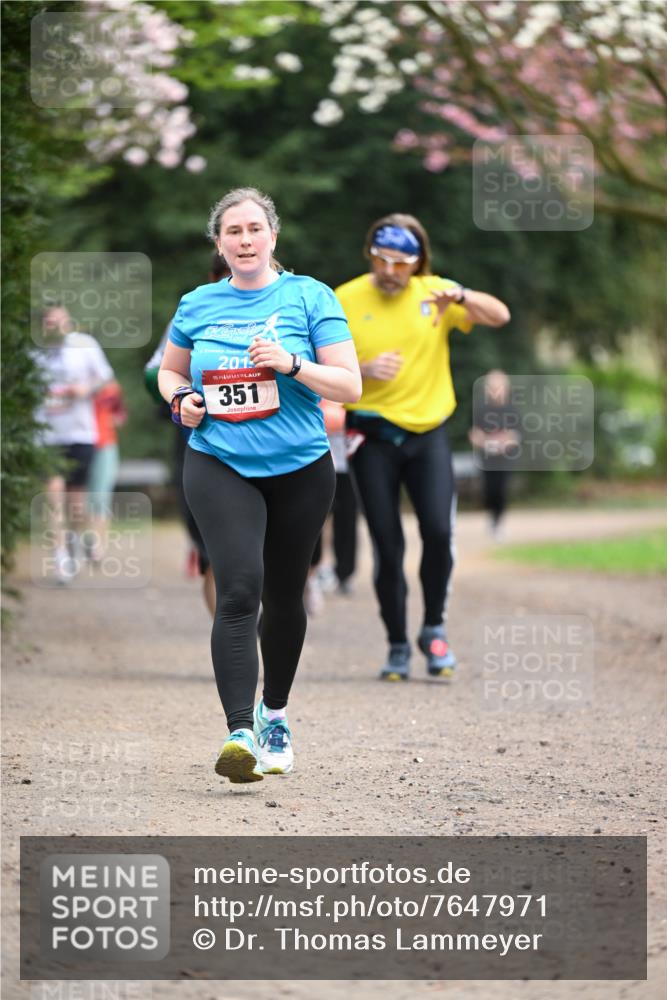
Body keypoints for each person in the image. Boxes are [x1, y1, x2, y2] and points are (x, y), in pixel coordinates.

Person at [158, 187, 361, 783]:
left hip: (300, 466)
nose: (244, 241)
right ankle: (239, 731)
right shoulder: (197, 303)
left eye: (253, 229)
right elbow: (170, 372)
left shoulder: (309, 297)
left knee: (284, 593)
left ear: (273, 236)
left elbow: (349, 387)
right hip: (219, 461)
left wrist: (291, 364)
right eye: (232, 232)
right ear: (218, 243)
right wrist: (182, 401)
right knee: (239, 588)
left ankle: (276, 714)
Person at [336, 214, 510, 681]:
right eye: (382, 260)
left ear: (417, 262)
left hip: (428, 434)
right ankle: (396, 644)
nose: (390, 271)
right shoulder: (344, 298)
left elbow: (499, 315)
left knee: (437, 531)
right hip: (371, 437)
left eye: (401, 263)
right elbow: (318, 363)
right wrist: (363, 368)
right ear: (370, 254)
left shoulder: (436, 292)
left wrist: (464, 296)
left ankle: (433, 628)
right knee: (387, 546)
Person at [144, 252, 229, 617]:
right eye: (226, 276)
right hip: (201, 437)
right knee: (212, 547)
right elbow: (155, 373)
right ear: (212, 277)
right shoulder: (193, 310)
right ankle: (231, 635)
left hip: (265, 440)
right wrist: (182, 393)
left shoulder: (285, 307)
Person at [33, 305, 114, 583]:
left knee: (75, 501)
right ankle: (60, 557)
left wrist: (85, 389)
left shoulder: (84, 345)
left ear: (67, 319)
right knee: (54, 491)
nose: (54, 324)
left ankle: (74, 541)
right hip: (46, 435)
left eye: (58, 318)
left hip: (81, 433)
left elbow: (105, 378)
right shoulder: (32, 350)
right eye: (48, 320)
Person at [469, 369, 520, 541]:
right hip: (486, 458)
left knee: (501, 490)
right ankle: (492, 517)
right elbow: (474, 434)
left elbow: (517, 435)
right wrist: (485, 441)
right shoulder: (481, 408)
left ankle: (499, 522)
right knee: (489, 490)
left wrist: (505, 442)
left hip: (505, 459)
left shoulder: (512, 409)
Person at [86, 380, 127, 561]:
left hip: (105, 445)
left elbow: (120, 415)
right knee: (82, 496)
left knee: (101, 496)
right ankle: (84, 540)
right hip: (80, 444)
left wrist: (112, 419)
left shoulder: (110, 387)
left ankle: (98, 546)